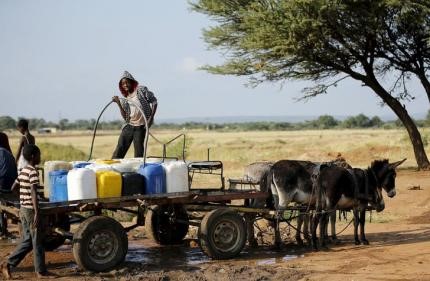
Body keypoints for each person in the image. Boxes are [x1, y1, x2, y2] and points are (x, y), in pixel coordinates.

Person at [1, 144, 51, 279]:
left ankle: (7, 264)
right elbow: (34, 192)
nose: (40, 157)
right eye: (39, 155)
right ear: (34, 156)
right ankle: (40, 271)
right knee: (37, 240)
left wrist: (22, 198)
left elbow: (13, 187)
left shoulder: (23, 170)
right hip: (30, 210)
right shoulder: (33, 172)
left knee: (28, 239)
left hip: (23, 209)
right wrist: (36, 212)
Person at [112, 71, 158, 159]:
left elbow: (154, 102)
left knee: (139, 151)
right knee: (120, 148)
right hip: (129, 126)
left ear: (131, 82)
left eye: (127, 82)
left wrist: (151, 117)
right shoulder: (125, 99)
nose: (125, 85)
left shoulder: (141, 91)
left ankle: (138, 170)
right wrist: (118, 103)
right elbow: (126, 118)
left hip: (140, 127)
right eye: (123, 84)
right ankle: (113, 167)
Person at [0, 132, 17, 238]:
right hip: (12, 185)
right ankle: (3, 228)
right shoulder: (8, 153)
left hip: (2, 186)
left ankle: (2, 229)